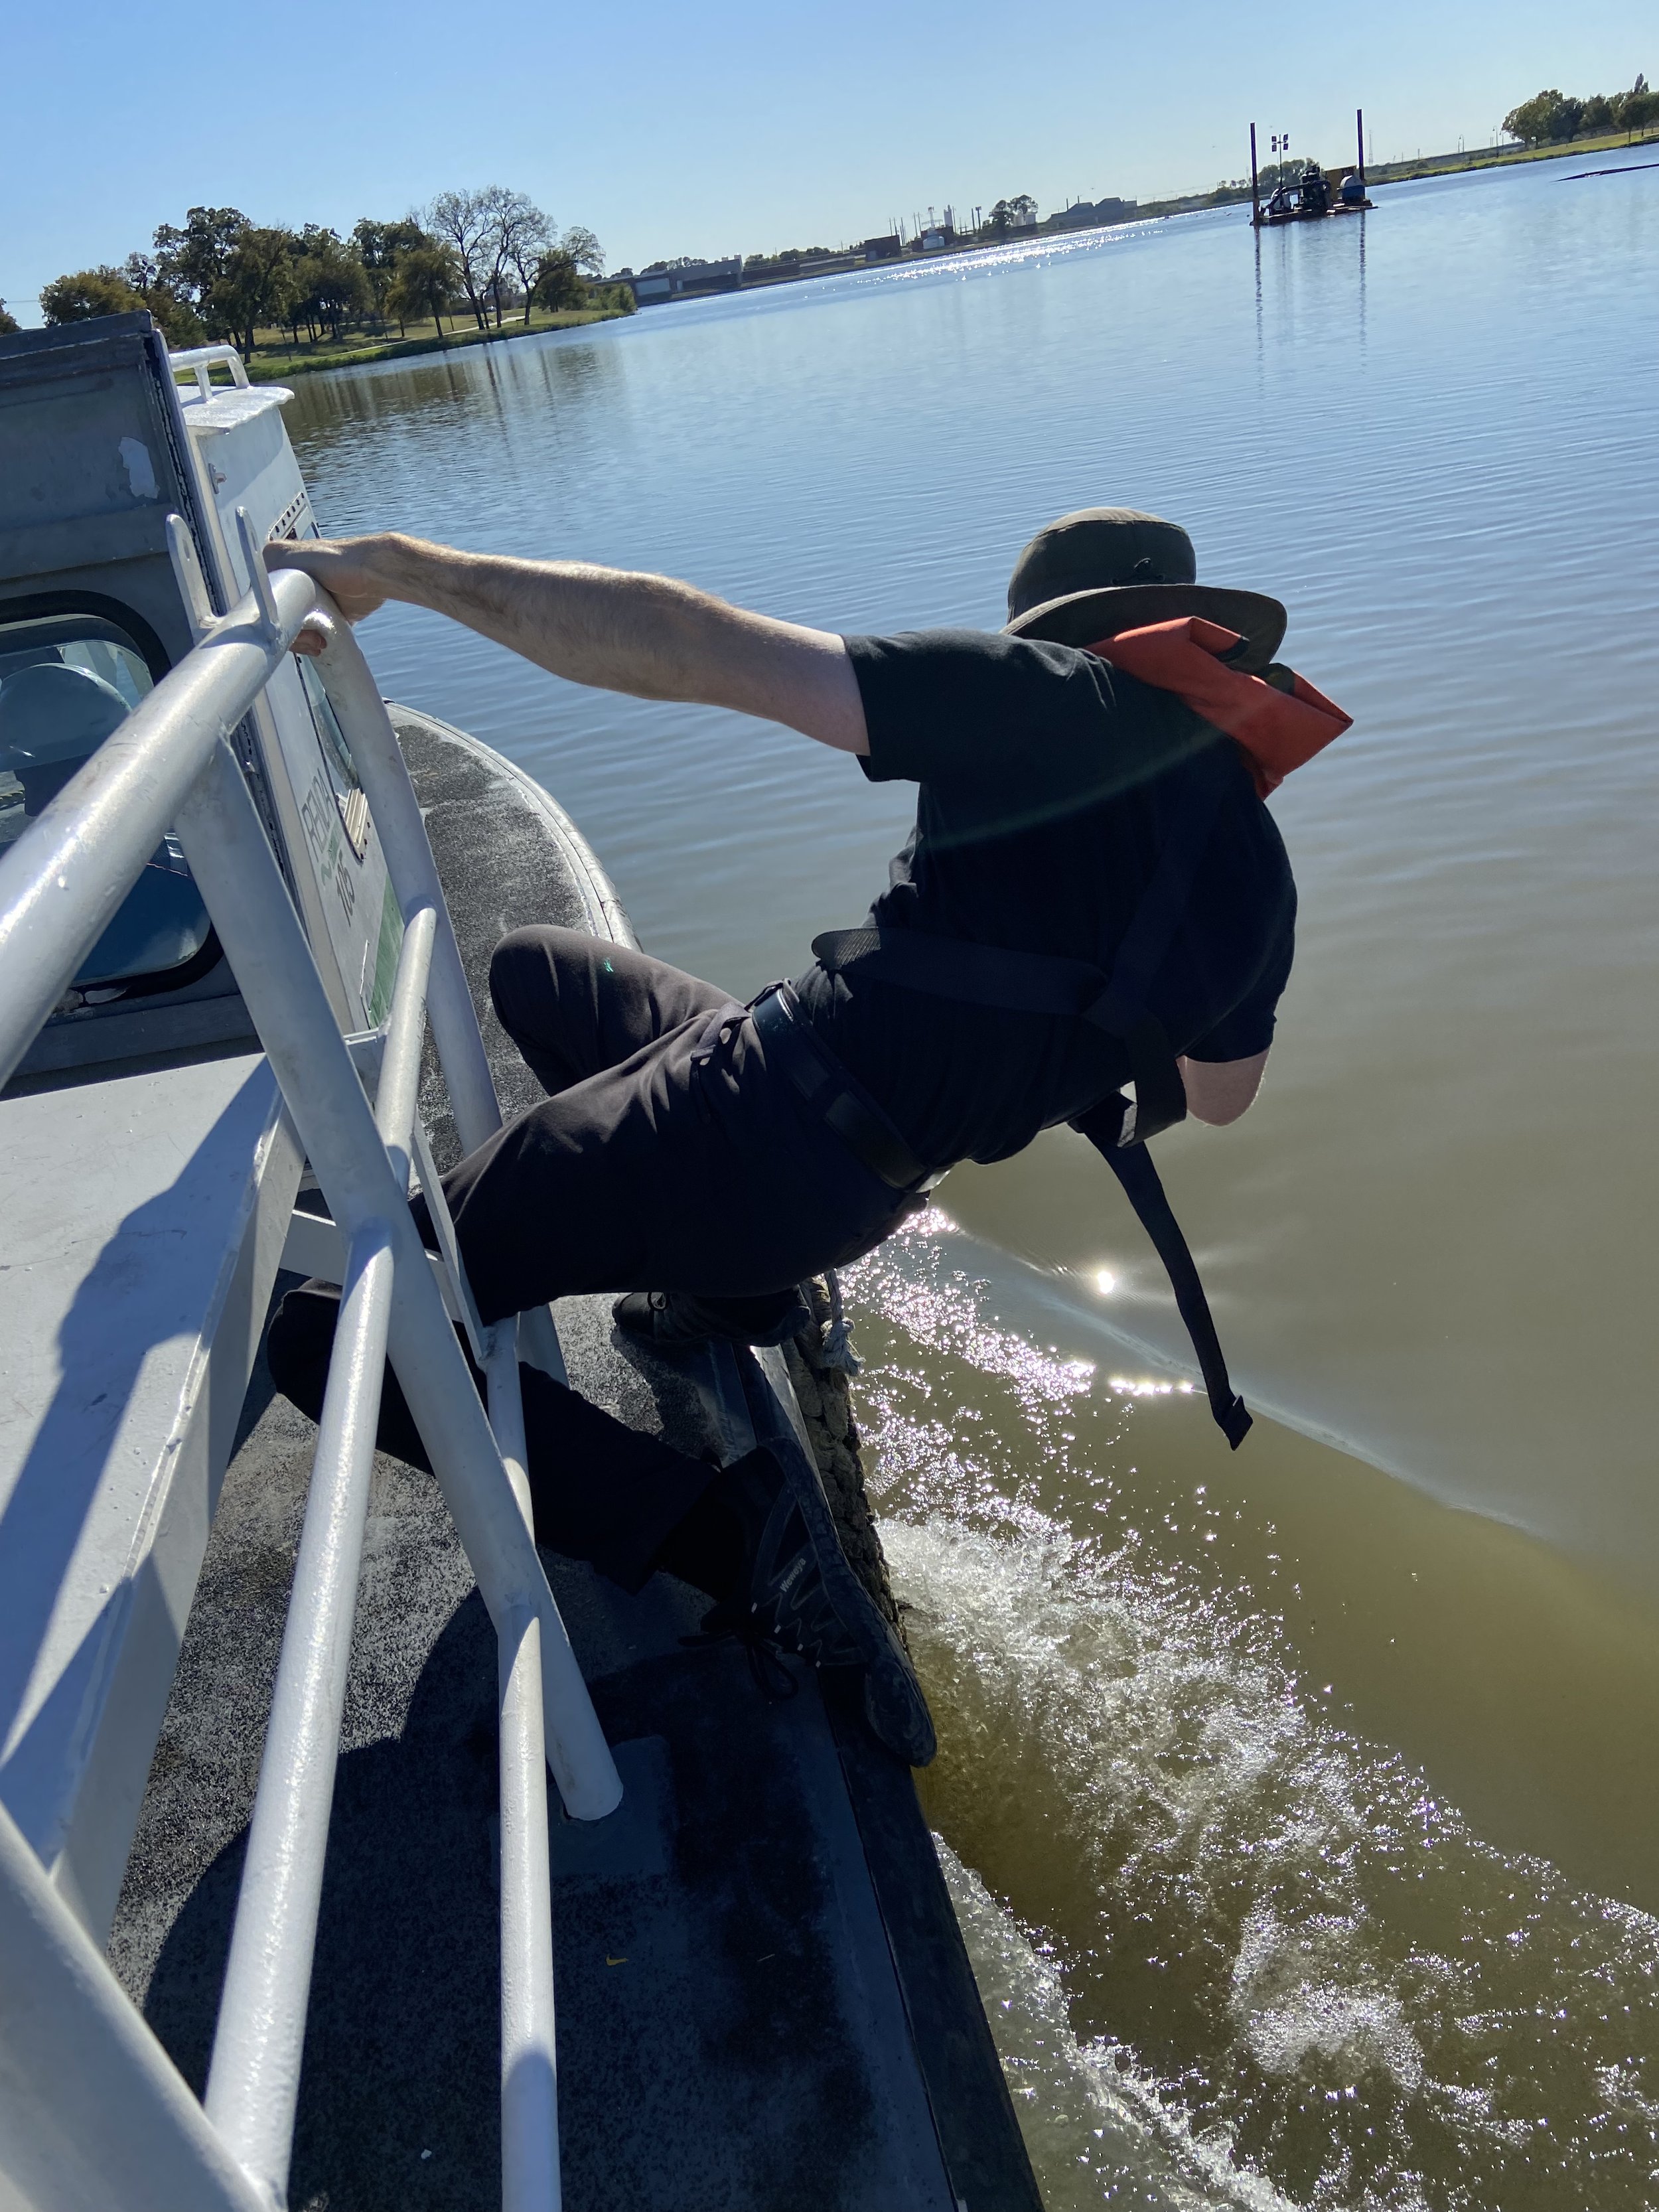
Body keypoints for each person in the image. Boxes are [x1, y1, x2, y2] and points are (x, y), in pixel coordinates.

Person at [263, 508, 1349, 1764]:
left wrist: (404, 566)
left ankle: (739, 1543)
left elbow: (687, 644)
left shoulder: (1046, 699)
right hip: (855, 1171)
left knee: (329, 1332)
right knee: (536, 971)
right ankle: (735, 1294)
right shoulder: (1256, 871)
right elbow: (1219, 1098)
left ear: (1058, 627)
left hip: (758, 1127)